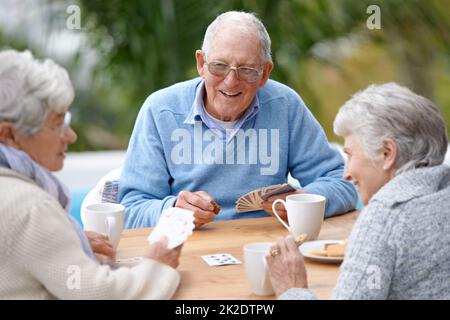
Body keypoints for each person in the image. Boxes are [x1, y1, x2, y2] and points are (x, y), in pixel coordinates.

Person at [118, 11, 358, 228]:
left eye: (246, 70)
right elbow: (130, 208)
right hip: (188, 245)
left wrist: (303, 201)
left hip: (265, 247)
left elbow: (343, 182)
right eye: (219, 66)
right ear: (201, 64)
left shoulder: (284, 106)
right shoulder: (161, 110)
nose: (231, 82)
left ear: (264, 73)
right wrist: (171, 210)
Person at [0, 49, 182, 299]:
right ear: (9, 135)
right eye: (56, 124)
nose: (70, 136)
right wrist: (158, 265)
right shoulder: (31, 209)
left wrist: (70, 243)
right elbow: (101, 295)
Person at [266, 83, 450, 299]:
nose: (346, 173)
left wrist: (292, 289)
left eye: (350, 155)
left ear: (387, 153)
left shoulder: (386, 217)